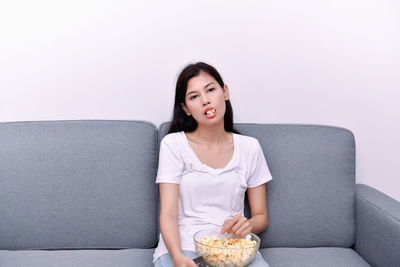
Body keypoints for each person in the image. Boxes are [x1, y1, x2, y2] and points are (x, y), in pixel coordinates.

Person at [153, 62, 273, 267]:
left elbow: (261, 216)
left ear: (225, 92)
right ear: (186, 109)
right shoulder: (174, 144)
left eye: (210, 90)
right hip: (184, 247)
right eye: (194, 96)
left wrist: (248, 224)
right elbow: (168, 214)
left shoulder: (250, 148)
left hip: (234, 250)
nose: (206, 101)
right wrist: (177, 257)